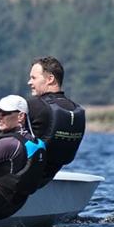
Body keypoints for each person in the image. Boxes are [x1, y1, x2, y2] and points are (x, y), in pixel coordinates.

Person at [26, 56, 86, 184]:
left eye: (34, 78)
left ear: (50, 79)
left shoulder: (34, 106)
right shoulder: (77, 110)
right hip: (46, 178)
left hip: (20, 179)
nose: (29, 82)